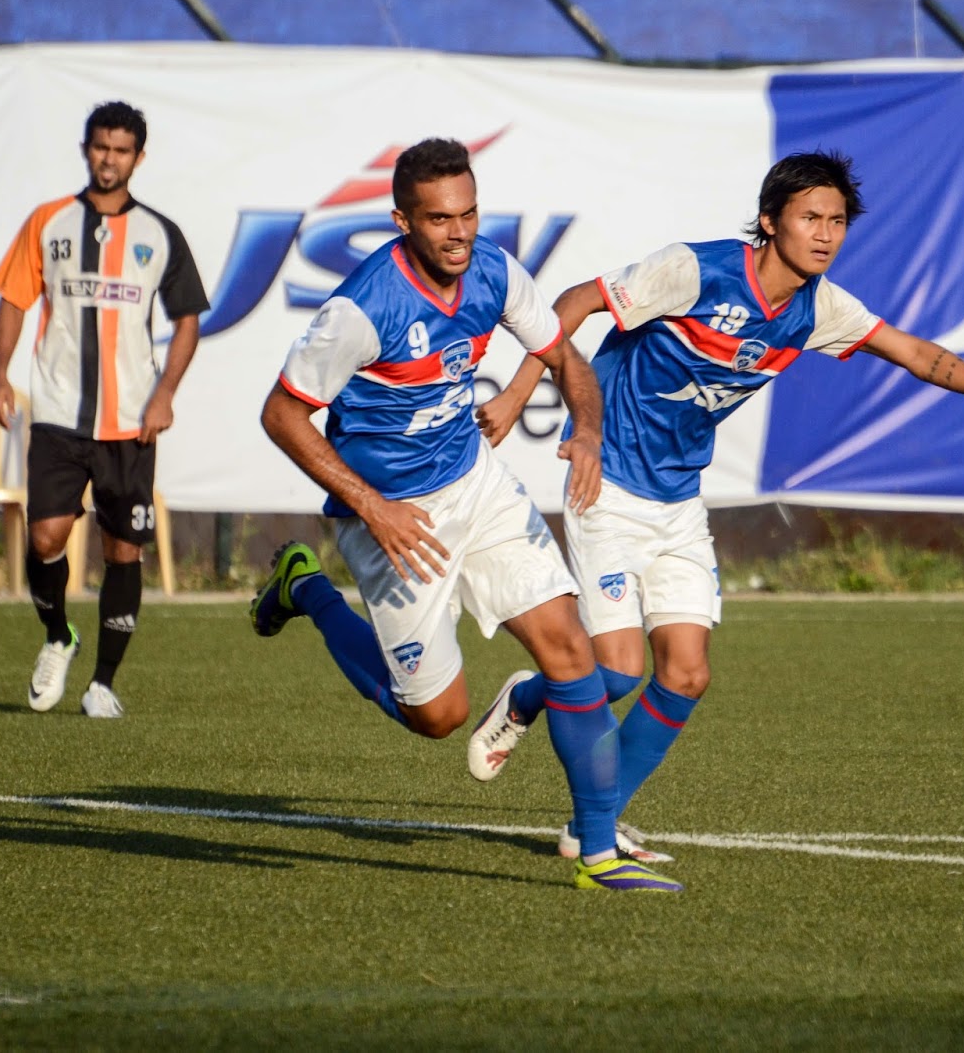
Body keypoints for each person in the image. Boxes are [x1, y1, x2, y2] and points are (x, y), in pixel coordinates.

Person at [471, 150, 964, 861]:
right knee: (615, 674)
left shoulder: (819, 308)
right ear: (769, 221)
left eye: (837, 221)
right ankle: (526, 698)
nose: (825, 234)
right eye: (810, 217)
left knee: (687, 675)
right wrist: (518, 395)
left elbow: (917, 354)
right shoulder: (696, 271)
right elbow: (575, 302)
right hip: (606, 484)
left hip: (678, 501)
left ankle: (591, 826)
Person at [251, 138, 681, 892]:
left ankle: (598, 851)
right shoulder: (361, 308)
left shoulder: (496, 272)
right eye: (439, 219)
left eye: (469, 213)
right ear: (402, 221)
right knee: (438, 717)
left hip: (475, 485)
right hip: (393, 516)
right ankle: (308, 589)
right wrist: (373, 506)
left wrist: (587, 429)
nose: (459, 233)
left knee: (569, 649)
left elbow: (566, 358)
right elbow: (282, 414)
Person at [0, 100, 208, 719]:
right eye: (101, 147)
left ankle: (103, 682)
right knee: (45, 537)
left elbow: (187, 320)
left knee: (122, 551)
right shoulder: (48, 221)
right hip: (59, 411)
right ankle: (58, 635)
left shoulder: (159, 233)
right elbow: (14, 300)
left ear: (139, 157)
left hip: (131, 422)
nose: (109, 159)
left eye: (121, 149)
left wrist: (164, 394)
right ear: (86, 150)